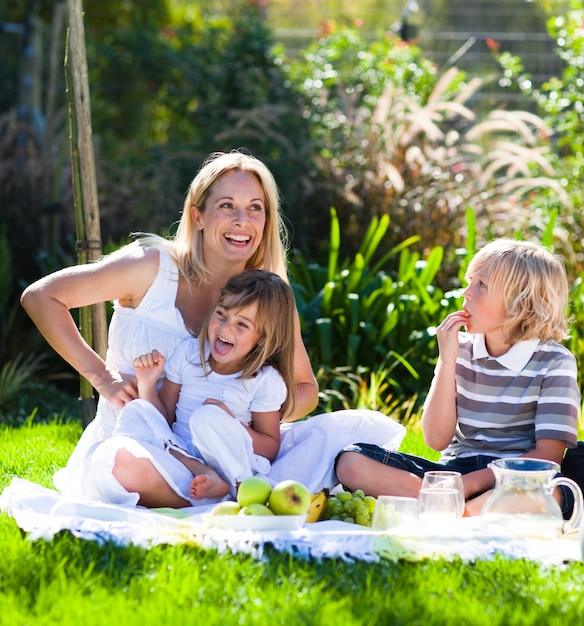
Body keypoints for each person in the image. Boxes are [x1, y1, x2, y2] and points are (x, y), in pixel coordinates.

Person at [20, 150, 318, 501]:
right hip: (140, 445)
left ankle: (218, 494)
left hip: (230, 455)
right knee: (124, 467)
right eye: (226, 206)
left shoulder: (267, 299)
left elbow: (305, 388)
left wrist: (248, 421)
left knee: (340, 439)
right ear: (198, 216)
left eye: (255, 207)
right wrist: (102, 377)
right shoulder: (150, 268)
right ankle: (215, 500)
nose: (242, 220)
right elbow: (41, 297)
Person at [335, 238, 581, 517]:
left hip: (512, 479)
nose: (466, 292)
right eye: (470, 281)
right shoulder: (460, 349)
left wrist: (468, 484)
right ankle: (460, 511)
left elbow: (548, 456)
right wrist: (447, 359)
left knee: (552, 492)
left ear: (520, 302)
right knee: (351, 462)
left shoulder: (554, 362)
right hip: (451, 472)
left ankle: (456, 511)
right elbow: (436, 440)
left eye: (481, 285)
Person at [102, 269, 297, 506]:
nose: (225, 328)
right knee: (137, 411)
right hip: (179, 459)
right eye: (221, 314)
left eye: (242, 324)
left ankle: (236, 487)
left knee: (207, 417)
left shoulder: (263, 380)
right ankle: (203, 481)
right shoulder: (189, 354)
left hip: (229, 465)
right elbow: (163, 419)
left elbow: (270, 447)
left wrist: (230, 423)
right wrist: (147, 383)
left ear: (264, 339)